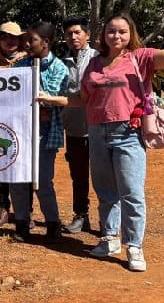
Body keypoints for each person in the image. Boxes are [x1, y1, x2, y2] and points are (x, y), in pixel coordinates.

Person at [57, 9, 164, 272]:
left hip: (128, 133)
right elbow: (82, 99)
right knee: (105, 190)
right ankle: (109, 238)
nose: (116, 36)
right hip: (96, 131)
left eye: (122, 31)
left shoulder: (140, 58)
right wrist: (52, 99)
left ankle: (134, 246)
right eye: (111, 31)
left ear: (131, 34)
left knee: (131, 192)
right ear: (103, 35)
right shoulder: (95, 63)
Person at [10, 22, 69, 243]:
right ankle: (22, 223)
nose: (26, 44)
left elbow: (49, 97)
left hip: (45, 132)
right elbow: (9, 93)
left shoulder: (59, 68)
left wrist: (35, 95)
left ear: (45, 42)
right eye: (25, 39)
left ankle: (53, 224)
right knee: (18, 179)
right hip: (20, 130)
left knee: (43, 181)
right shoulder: (20, 65)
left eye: (31, 40)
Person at [0, 22, 29, 230]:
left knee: (23, 166)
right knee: (0, 163)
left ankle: (26, 211)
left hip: (22, 121)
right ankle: (3, 206)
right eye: (5, 37)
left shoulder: (28, 61)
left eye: (14, 37)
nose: (10, 41)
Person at [60, 17, 98, 234]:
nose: (73, 37)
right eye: (69, 34)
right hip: (74, 129)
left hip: (99, 128)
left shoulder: (98, 59)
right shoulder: (61, 62)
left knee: (104, 177)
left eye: (77, 32)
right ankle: (81, 215)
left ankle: (108, 219)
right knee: (79, 176)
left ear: (87, 35)